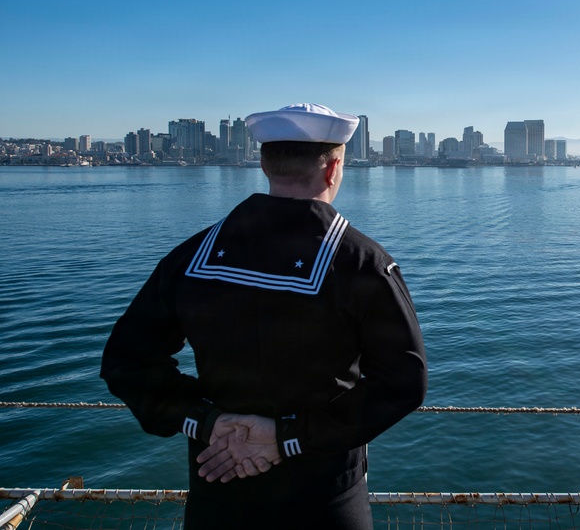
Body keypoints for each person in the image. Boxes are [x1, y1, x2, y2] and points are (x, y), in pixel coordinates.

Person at [101, 103, 428, 529]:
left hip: (217, 487)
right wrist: (286, 437)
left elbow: (127, 361)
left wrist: (207, 422)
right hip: (324, 499)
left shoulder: (189, 257)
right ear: (332, 170)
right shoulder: (360, 263)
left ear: (264, 164)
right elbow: (404, 382)